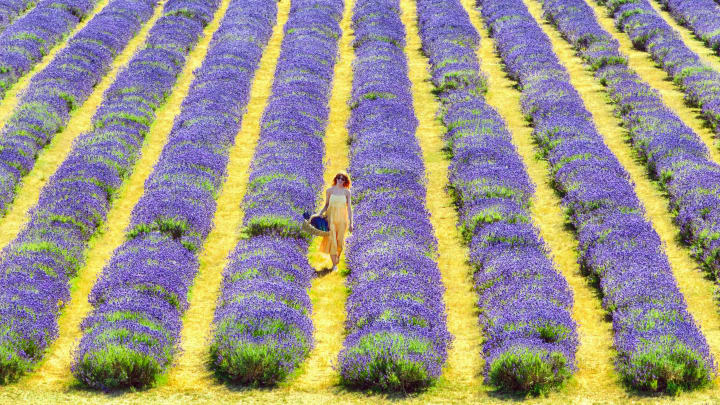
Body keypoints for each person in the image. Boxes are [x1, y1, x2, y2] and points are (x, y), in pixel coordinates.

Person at [318, 171, 353, 271]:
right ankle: (334, 265)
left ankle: (337, 259)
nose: (340, 180)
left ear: (345, 181)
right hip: (331, 219)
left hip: (342, 220)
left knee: (340, 243)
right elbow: (326, 205)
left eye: (342, 179)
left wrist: (351, 223)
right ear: (335, 179)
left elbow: (349, 208)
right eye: (338, 178)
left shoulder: (347, 192)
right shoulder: (329, 191)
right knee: (332, 241)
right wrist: (319, 214)